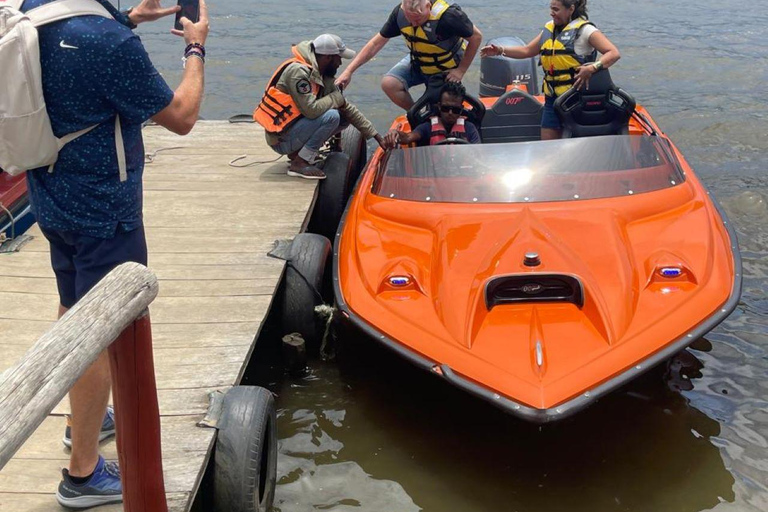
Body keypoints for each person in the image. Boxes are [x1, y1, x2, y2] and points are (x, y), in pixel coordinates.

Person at [18, 0, 209, 507]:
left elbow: (70, 61)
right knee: (103, 333)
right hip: (105, 209)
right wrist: (195, 48)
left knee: (72, 307)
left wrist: (128, 19)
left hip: (50, 194)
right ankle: (82, 473)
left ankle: (82, 416)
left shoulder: (29, 10)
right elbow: (182, 115)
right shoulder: (108, 43)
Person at [480, 0, 620, 140]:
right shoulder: (549, 29)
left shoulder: (585, 31)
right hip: (552, 98)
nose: (551, 13)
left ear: (570, 9)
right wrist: (500, 50)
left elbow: (613, 53)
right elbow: (527, 50)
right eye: (551, 8)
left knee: (573, 141)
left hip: (575, 98)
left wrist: (592, 67)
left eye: (556, 9)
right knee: (547, 143)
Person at [254, 34, 386, 180]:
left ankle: (299, 153)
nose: (340, 63)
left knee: (343, 116)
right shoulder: (299, 73)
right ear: (328, 58)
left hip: (294, 129)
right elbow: (311, 111)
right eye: (339, 58)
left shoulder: (322, 74)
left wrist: (375, 136)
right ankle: (300, 163)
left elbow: (346, 107)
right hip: (281, 139)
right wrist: (334, 98)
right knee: (332, 116)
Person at [335, 0, 483, 110]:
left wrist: (461, 71)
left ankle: (432, 113)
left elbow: (476, 37)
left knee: (441, 112)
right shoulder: (399, 14)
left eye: (418, 19)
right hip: (419, 61)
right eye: (409, 18)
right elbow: (375, 44)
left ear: (428, 6)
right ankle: (416, 112)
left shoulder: (449, 16)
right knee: (389, 84)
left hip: (445, 67)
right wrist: (349, 71)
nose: (413, 23)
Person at [384, 81, 481, 147]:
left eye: (455, 110)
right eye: (445, 108)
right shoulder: (427, 127)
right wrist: (395, 134)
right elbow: (408, 137)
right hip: (434, 175)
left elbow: (478, 153)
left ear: (461, 109)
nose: (450, 113)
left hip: (463, 174)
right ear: (439, 106)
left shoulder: (469, 128)